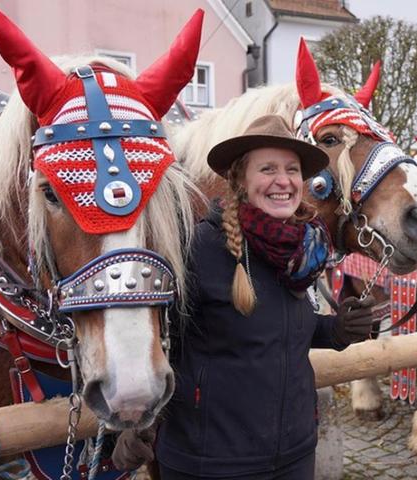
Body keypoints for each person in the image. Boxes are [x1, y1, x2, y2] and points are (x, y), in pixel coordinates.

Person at [112, 114, 378, 479]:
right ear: (239, 179)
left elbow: (276, 332)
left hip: (296, 453)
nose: (283, 181)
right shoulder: (198, 247)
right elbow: (153, 339)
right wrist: (134, 422)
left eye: (292, 169)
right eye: (267, 169)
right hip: (211, 463)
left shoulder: (302, 250)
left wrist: (337, 330)